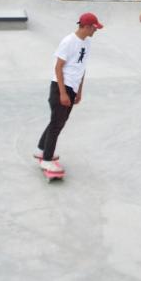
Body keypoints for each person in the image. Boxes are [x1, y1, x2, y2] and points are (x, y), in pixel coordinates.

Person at [35, 12, 103, 173]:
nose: (96, 31)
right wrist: (63, 93)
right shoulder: (68, 42)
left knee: (58, 121)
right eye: (94, 28)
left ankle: (41, 149)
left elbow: (82, 68)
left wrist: (79, 91)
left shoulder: (87, 43)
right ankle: (46, 160)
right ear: (86, 26)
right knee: (57, 124)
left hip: (73, 87)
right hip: (61, 86)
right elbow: (58, 67)